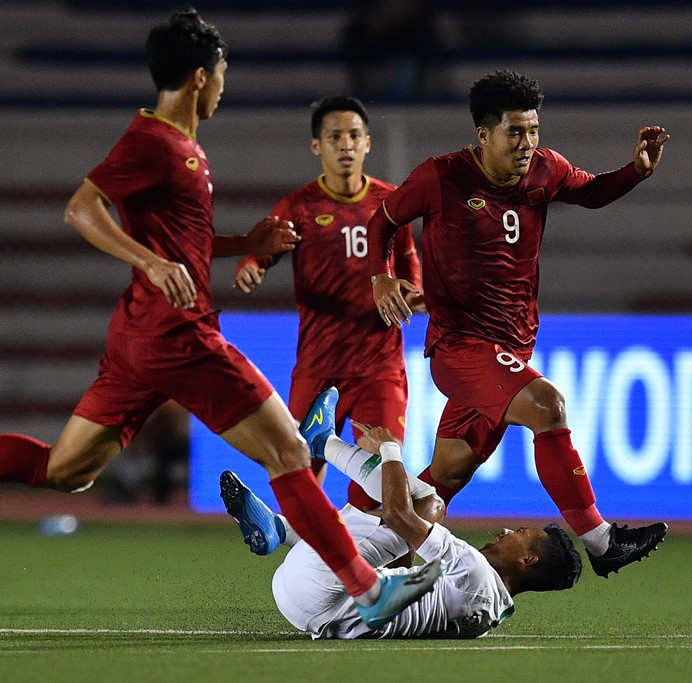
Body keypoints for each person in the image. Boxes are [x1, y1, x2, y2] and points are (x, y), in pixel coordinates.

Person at [0, 6, 439, 628]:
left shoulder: (183, 148)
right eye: (224, 72)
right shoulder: (152, 141)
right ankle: (370, 591)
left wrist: (244, 245)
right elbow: (81, 209)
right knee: (291, 447)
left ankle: (352, 576)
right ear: (203, 77)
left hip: (137, 336)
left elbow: (185, 243)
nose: (227, 84)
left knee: (64, 471)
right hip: (177, 332)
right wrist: (148, 263)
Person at [366, 69, 671, 578]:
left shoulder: (545, 170)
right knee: (548, 405)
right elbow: (383, 221)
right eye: (515, 132)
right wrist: (382, 276)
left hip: (511, 348)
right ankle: (601, 541)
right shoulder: (441, 177)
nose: (528, 143)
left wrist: (634, 171)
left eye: (533, 130)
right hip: (460, 349)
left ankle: (360, 564)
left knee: (443, 477)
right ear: (483, 135)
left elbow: (591, 191)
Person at [221, 387, 582, 639]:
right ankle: (281, 531)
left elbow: (397, 514)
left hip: (318, 587)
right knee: (400, 557)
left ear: (528, 559)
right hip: (306, 612)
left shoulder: (473, 570)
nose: (506, 530)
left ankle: (324, 443)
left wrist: (390, 450)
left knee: (429, 504)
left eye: (519, 534)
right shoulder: (488, 619)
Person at [234, 96, 422, 519]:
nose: (346, 144)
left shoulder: (391, 204)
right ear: (316, 146)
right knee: (296, 472)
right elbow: (262, 248)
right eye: (334, 136)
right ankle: (311, 561)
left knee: (382, 479)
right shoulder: (299, 208)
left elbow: (412, 272)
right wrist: (251, 266)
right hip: (319, 367)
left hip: (379, 368)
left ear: (368, 143)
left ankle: (384, 574)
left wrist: (415, 295)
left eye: (354, 135)